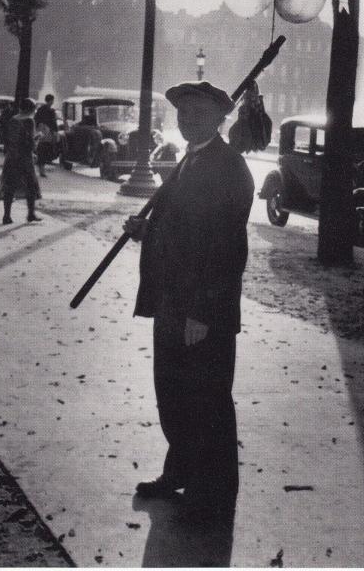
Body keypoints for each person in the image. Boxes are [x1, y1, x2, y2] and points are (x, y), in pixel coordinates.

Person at [124, 81, 254, 525]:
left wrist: (203, 312)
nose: (187, 120)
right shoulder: (189, 162)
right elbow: (180, 227)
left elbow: (227, 248)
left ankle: (213, 494)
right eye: (183, 114)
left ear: (220, 120)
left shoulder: (229, 167)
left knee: (208, 401)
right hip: (170, 301)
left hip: (202, 310)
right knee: (173, 396)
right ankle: (179, 473)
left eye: (198, 114)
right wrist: (147, 230)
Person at [0, 98, 42, 224]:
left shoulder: (13, 119)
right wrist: (38, 138)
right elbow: (30, 142)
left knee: (9, 186)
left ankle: (6, 216)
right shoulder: (29, 120)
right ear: (31, 109)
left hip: (11, 157)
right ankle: (31, 214)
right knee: (31, 185)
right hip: (24, 158)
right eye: (34, 109)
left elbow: (7, 138)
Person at [34, 94, 58, 177]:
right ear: (50, 100)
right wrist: (55, 132)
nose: (53, 102)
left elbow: (36, 119)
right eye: (52, 100)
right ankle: (42, 169)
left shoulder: (40, 109)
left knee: (42, 149)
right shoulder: (51, 111)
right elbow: (54, 123)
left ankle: (41, 167)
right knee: (45, 149)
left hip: (42, 131)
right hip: (46, 132)